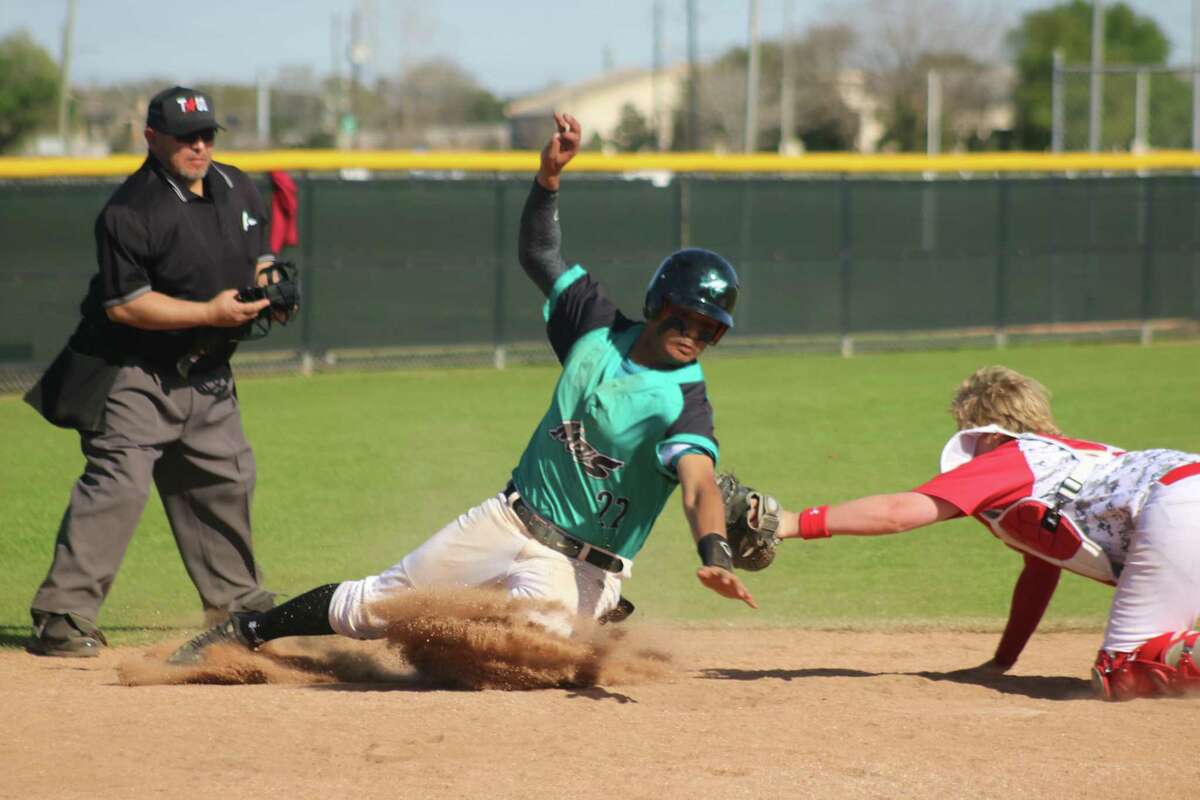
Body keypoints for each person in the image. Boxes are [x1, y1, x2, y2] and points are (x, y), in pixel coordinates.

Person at [167, 112, 756, 665]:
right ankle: (249, 631)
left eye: (711, 329)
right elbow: (539, 252)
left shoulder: (686, 403)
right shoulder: (594, 325)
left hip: (580, 566)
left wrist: (714, 552)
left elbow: (699, 486)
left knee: (526, 657)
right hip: (507, 520)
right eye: (686, 317)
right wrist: (548, 177)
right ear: (659, 306)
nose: (695, 334)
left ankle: (594, 611)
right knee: (378, 604)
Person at [758, 365, 1200, 700]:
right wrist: (1003, 661)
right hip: (1183, 488)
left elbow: (901, 511)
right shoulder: (1075, 455)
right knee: (1163, 653)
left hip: (1176, 503)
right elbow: (1041, 571)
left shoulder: (1009, 459)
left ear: (986, 433)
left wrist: (798, 522)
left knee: (1120, 674)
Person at [24, 86, 279, 657]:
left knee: (223, 480)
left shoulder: (236, 185)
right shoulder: (130, 210)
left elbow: (256, 253)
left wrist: (269, 283)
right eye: (186, 136)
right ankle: (62, 617)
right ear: (151, 138)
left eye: (207, 134)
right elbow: (127, 305)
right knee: (118, 487)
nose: (199, 145)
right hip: (132, 371)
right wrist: (210, 311)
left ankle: (236, 605)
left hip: (208, 372)